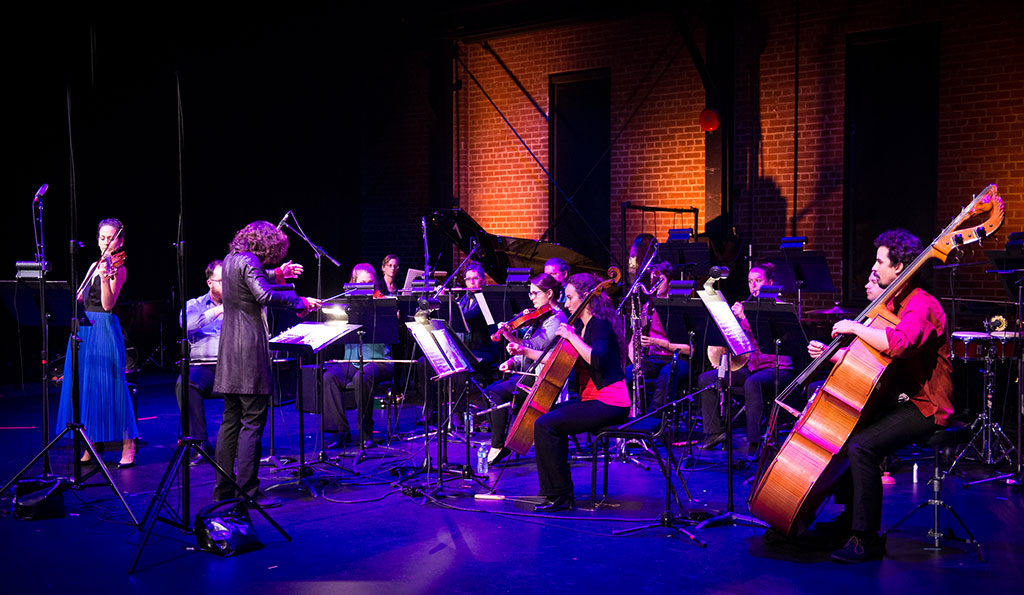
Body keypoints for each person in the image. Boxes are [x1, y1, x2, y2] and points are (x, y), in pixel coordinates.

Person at [808, 230, 951, 563]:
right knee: (846, 432)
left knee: (863, 445)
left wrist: (855, 327)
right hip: (900, 396)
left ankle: (865, 538)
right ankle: (848, 522)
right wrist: (833, 356)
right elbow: (875, 361)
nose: (873, 267)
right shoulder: (893, 305)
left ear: (899, 267)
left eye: (879, 261)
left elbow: (900, 344)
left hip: (925, 405)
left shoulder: (921, 304)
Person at [213, 221, 320, 507]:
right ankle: (248, 492)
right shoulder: (249, 260)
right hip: (248, 352)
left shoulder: (232, 259)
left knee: (230, 420)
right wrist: (300, 301)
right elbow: (264, 294)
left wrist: (279, 273)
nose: (274, 258)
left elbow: (253, 281)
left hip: (229, 352)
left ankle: (224, 490)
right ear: (266, 245)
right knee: (252, 422)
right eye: (274, 254)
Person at [533, 272, 630, 512]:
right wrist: (522, 353)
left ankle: (560, 494)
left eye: (569, 297)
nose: (566, 303)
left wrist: (571, 336)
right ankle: (555, 490)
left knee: (547, 424)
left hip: (611, 403)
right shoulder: (581, 326)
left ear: (586, 297)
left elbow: (596, 359)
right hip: (593, 400)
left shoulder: (599, 324)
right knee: (544, 417)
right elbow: (557, 360)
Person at [56, 218, 139, 468]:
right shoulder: (95, 264)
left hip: (103, 328)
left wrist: (105, 278)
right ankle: (92, 445)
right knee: (86, 388)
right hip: (84, 328)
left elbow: (108, 304)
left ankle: (128, 443)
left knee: (112, 386)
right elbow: (81, 296)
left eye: (111, 237)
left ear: (120, 240)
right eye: (102, 237)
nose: (106, 242)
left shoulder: (119, 268)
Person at [698, 262, 795, 453]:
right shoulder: (746, 308)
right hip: (752, 367)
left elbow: (769, 337)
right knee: (707, 378)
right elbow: (737, 343)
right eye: (750, 282)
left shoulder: (780, 307)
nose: (754, 286)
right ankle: (714, 433)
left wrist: (744, 319)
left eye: (758, 281)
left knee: (752, 383)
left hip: (778, 367)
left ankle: (754, 442)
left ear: (770, 282)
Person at [484, 273, 567, 464]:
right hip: (528, 371)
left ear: (549, 293)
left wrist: (513, 340)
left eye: (534, 294)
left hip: (542, 377)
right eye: (530, 294)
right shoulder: (540, 316)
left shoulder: (555, 320)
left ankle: (498, 446)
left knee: (495, 393)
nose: (531, 298)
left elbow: (535, 349)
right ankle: (503, 441)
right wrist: (512, 361)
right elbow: (527, 350)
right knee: (488, 392)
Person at [324, 264, 395, 449]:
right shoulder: (346, 306)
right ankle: (340, 430)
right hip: (353, 360)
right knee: (329, 377)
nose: (366, 286)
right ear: (353, 283)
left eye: (370, 282)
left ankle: (365, 431)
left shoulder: (383, 302)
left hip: (379, 361)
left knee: (362, 376)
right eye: (362, 282)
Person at [175, 259, 223, 465]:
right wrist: (218, 311)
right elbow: (186, 324)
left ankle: (236, 442)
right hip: (202, 367)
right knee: (185, 383)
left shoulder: (241, 303)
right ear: (210, 283)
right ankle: (200, 442)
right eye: (222, 281)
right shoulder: (194, 305)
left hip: (231, 366)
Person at [626, 260, 691, 411]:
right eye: (652, 280)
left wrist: (657, 341)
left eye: (659, 280)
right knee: (627, 374)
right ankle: (629, 417)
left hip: (678, 359)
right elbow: (633, 340)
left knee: (665, 375)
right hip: (654, 359)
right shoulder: (648, 307)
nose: (655, 284)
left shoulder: (679, 306)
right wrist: (634, 361)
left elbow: (690, 349)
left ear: (670, 282)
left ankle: (653, 422)